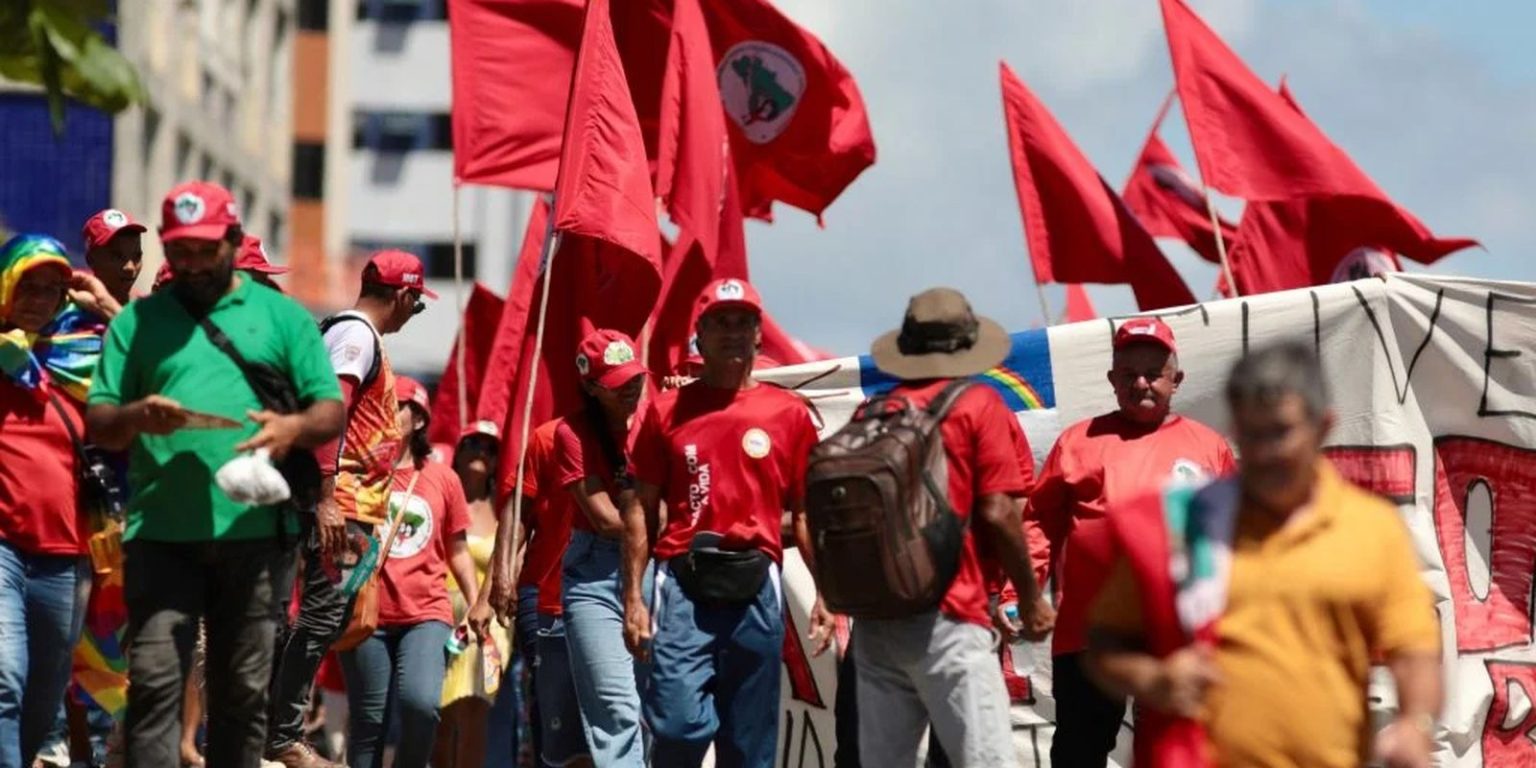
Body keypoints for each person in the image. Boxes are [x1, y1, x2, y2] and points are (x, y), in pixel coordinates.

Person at [86, 180, 346, 767]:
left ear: (231, 240)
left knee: (240, 696)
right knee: (153, 686)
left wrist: (290, 429)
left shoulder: (284, 318)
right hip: (160, 539)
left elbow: (330, 410)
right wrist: (135, 415)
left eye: (205, 250)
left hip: (255, 543)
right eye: (180, 251)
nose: (192, 264)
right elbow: (101, 419)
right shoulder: (139, 323)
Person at [1086, 343, 1442, 768]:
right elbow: (1104, 644)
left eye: (1280, 432)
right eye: (1251, 435)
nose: (1265, 453)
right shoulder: (1181, 522)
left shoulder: (1372, 529)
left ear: (1323, 426)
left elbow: (1414, 648)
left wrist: (1414, 726)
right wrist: (1153, 679)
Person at [817, 287, 1048, 768]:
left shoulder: (875, 412)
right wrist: (1029, 599)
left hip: (877, 623)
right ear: (967, 346)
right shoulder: (978, 405)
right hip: (951, 616)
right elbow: (1000, 512)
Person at [621, 279, 819, 767]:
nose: (733, 333)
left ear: (758, 336)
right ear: (700, 335)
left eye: (744, 323)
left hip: (757, 588)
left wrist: (827, 595)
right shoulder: (665, 412)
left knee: (750, 745)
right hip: (683, 587)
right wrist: (633, 597)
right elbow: (640, 511)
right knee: (679, 726)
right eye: (721, 323)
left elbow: (808, 512)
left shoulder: (789, 414)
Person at [1024, 316, 1234, 767]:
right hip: (1087, 635)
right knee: (1080, 752)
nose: (1141, 383)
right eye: (1128, 374)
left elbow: (1237, 540)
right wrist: (1016, 594)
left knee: (1176, 755)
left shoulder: (1210, 447)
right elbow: (1037, 524)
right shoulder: (1078, 442)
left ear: (1175, 380)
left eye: (1153, 373)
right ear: (1112, 381)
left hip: (1180, 635)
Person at [265, 249, 432, 768]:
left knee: (323, 618)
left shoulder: (356, 334)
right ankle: (282, 731)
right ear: (403, 295)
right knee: (319, 617)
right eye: (417, 304)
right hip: (342, 501)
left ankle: (276, 725)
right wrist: (327, 497)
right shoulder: (357, 335)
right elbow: (328, 411)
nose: (413, 313)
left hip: (350, 502)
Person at [0, 235, 106, 768]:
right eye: (28, 286)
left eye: (52, 289)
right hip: (3, 551)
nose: (39, 299)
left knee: (44, 695)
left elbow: (155, 362)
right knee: (5, 677)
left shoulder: (84, 358)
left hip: (65, 557)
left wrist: (106, 304)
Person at [340, 376, 479, 768]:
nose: (385, 413)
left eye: (395, 405)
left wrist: (474, 603)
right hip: (367, 612)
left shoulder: (443, 478)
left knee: (421, 706)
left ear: (418, 419)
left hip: (426, 615)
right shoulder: (358, 473)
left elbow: (459, 549)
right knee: (369, 721)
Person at [554, 330, 650, 767]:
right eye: (618, 384)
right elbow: (606, 519)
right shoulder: (571, 434)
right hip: (595, 577)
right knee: (618, 710)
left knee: (664, 711)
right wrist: (666, 519)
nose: (631, 389)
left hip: (657, 570)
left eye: (635, 378)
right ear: (592, 388)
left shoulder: (658, 419)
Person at [434, 421, 508, 768]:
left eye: (491, 448)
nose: (482, 452)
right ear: (458, 450)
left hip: (487, 622)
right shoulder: (438, 498)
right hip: (439, 612)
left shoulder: (503, 509)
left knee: (475, 706)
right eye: (474, 443)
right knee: (441, 710)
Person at [81, 208, 146, 305]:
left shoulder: (143, 310)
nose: (130, 268)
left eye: (137, 256)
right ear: (91, 259)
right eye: (117, 256)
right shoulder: (72, 313)